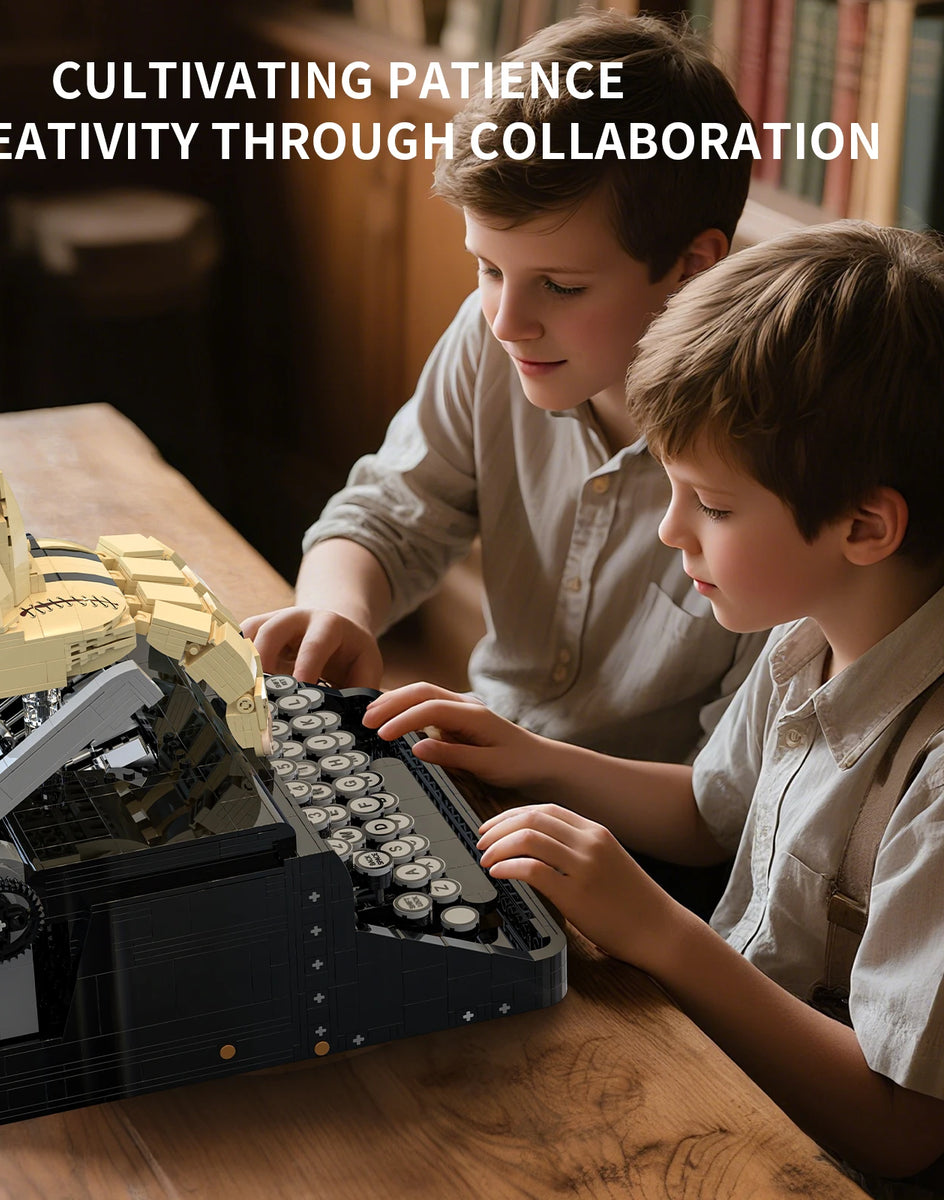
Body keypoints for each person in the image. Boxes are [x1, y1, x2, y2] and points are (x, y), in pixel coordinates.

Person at [363, 222, 944, 1185]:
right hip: (728, 1072)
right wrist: (530, 756)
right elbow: (713, 813)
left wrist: (658, 933)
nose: (672, 529)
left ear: (866, 526)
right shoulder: (809, 635)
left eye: (711, 507)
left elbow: (900, 1130)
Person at [243, 11, 768, 768]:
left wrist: (523, 758)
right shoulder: (500, 339)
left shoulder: (773, 452)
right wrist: (337, 610)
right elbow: (392, 512)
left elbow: (735, 796)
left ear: (693, 267)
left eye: (559, 285)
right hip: (497, 763)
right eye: (488, 269)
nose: (507, 322)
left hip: (645, 846)